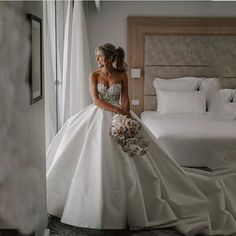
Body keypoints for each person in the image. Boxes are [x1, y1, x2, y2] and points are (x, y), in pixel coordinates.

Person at [46, 43, 236, 236]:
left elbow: (126, 97)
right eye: (97, 57)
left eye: (101, 57)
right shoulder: (94, 75)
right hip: (99, 114)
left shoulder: (121, 75)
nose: (98, 60)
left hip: (121, 114)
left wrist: (126, 113)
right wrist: (116, 110)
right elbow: (96, 100)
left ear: (110, 58)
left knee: (133, 154)